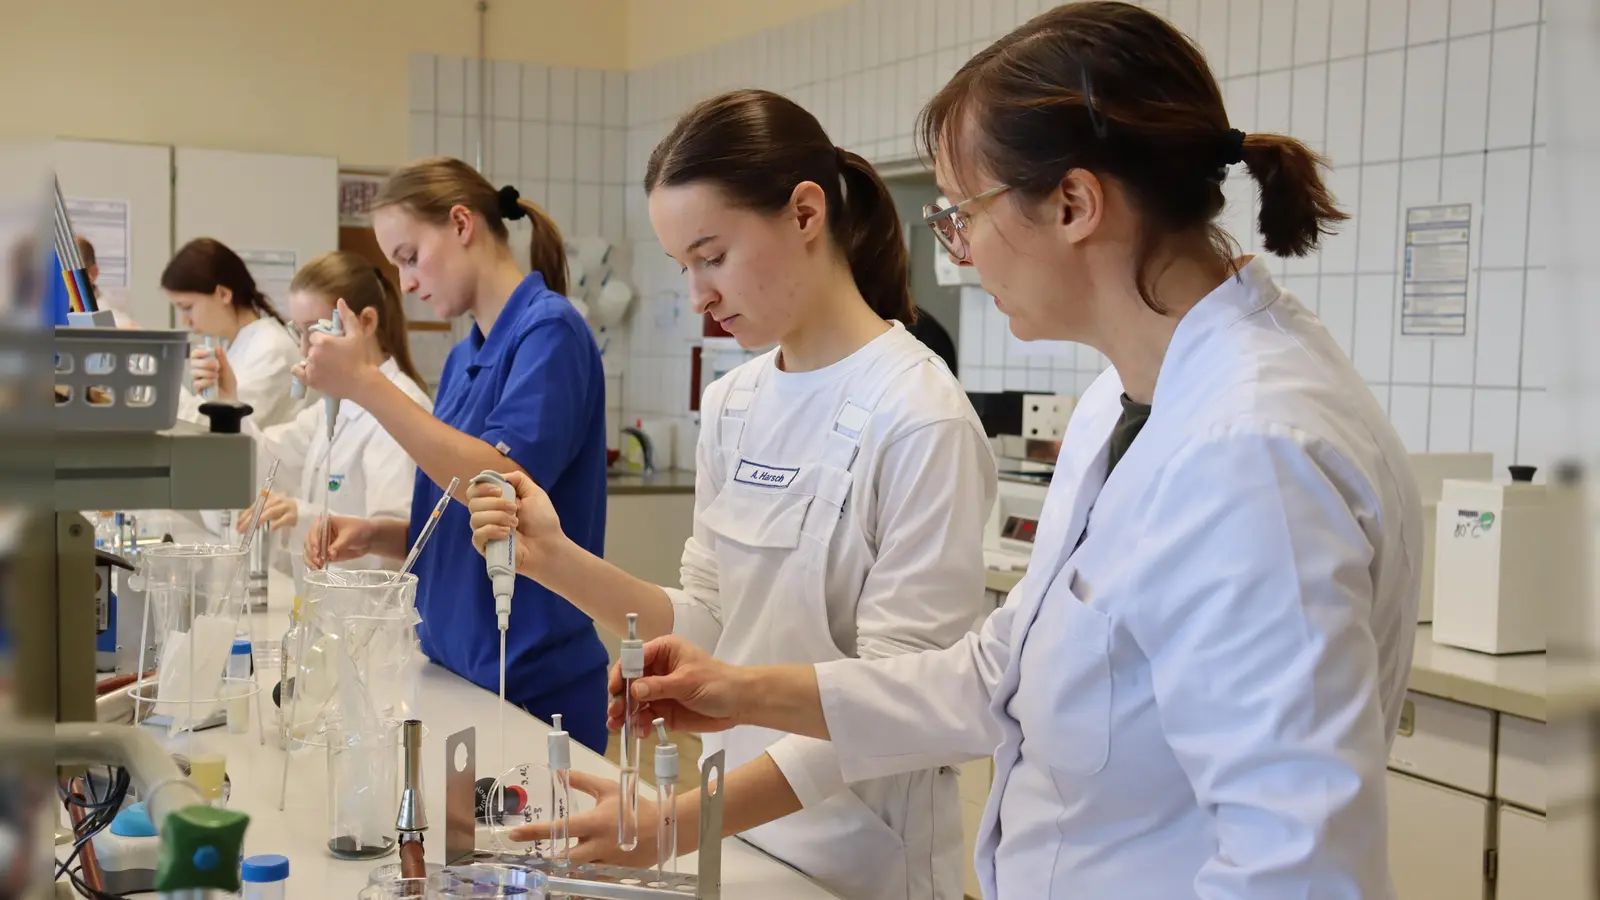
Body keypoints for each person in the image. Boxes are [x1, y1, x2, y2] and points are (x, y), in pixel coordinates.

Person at [602, 5, 1422, 899]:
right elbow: (1000, 670)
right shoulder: (1128, 396)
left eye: (963, 214)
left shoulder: (1252, 449)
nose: (957, 251)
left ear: (1073, 203)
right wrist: (742, 690)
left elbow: (1297, 870)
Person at [467, 90, 997, 900]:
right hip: (730, 833)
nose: (698, 296)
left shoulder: (919, 415)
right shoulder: (736, 401)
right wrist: (552, 558)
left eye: (712, 257)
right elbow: (711, 610)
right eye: (685, 267)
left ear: (805, 214)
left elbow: (897, 701)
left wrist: (678, 820)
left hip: (857, 859)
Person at [299, 158, 612, 753]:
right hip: (454, 670)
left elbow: (501, 485)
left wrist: (365, 382)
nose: (408, 282)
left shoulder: (551, 333)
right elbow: (460, 512)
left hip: (528, 683)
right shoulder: (468, 353)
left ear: (462, 224)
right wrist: (379, 535)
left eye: (410, 257)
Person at [203, 251, 433, 570]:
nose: (303, 350)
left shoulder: (401, 409)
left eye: (316, 330)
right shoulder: (335, 405)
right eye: (299, 331)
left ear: (366, 322)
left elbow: (401, 547)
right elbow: (265, 459)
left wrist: (305, 517)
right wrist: (228, 402)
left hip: (371, 613)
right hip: (328, 606)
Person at [165, 237, 306, 429]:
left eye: (187, 307)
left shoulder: (271, 349)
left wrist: (158, 385)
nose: (184, 320)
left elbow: (216, 426)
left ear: (223, 294)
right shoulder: (233, 345)